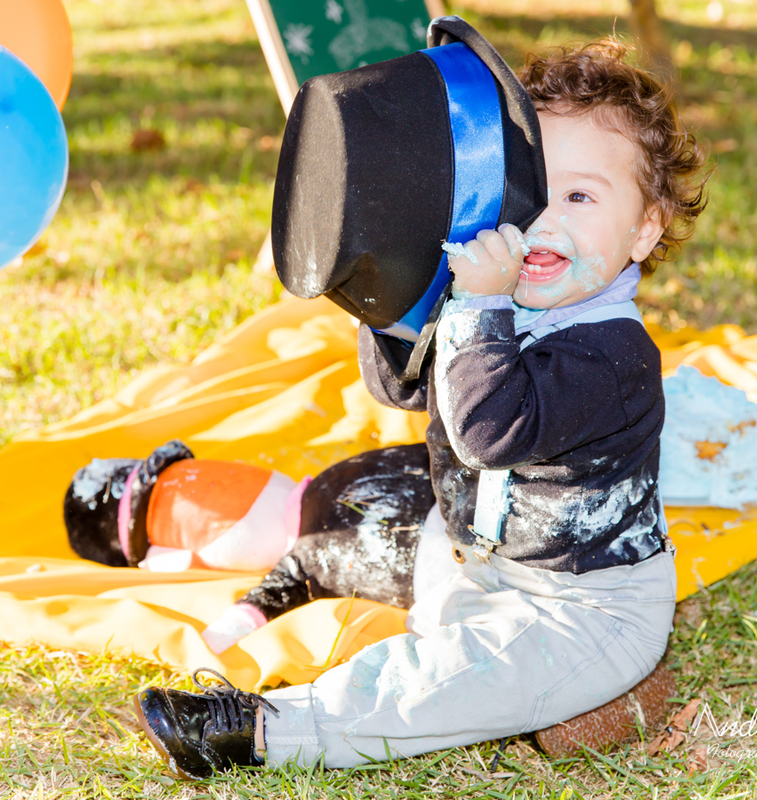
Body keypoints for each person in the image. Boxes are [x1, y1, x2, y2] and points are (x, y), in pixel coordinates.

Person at [132, 38, 707, 780]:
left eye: (580, 197)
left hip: (581, 611)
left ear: (644, 229)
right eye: (527, 193)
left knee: (432, 684)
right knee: (404, 531)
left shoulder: (616, 356)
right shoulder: (504, 303)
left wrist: (478, 302)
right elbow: (400, 387)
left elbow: (487, 430)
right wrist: (396, 292)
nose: (542, 221)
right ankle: (331, 579)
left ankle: (263, 730)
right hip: (475, 561)